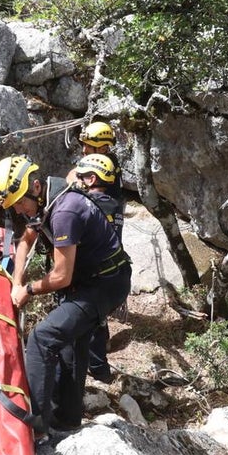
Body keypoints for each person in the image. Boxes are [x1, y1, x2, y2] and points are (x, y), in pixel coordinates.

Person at [0, 155, 133, 439]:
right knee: (72, 341)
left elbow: (61, 277)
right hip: (91, 280)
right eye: (14, 205)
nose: (19, 210)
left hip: (105, 283)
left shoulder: (64, 211)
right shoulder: (44, 202)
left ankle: (35, 427)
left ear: (34, 186)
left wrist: (28, 290)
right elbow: (25, 242)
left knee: (43, 338)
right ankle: (67, 419)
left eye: (20, 202)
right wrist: (16, 281)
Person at [72, 154, 129, 383]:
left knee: (89, 325)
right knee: (99, 322)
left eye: (82, 176)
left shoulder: (89, 204)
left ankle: (95, 370)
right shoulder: (114, 204)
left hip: (93, 272)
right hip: (112, 272)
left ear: (91, 178)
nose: (79, 179)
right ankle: (100, 370)